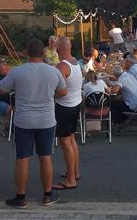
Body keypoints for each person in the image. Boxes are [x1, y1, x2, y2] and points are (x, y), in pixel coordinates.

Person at [0, 38, 66, 208]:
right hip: (46, 120)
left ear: (26, 53)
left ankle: (20, 197)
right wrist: (51, 96)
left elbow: (1, 89)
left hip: (23, 121)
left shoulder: (17, 71)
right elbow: (63, 91)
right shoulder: (53, 71)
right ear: (43, 54)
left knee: (22, 158)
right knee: (46, 157)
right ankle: (47, 195)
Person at [53, 37, 83, 190]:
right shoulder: (76, 63)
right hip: (75, 104)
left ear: (59, 48)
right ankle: (74, 172)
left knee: (65, 143)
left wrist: (51, 96)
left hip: (64, 107)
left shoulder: (61, 66)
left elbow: (61, 91)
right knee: (72, 140)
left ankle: (71, 179)